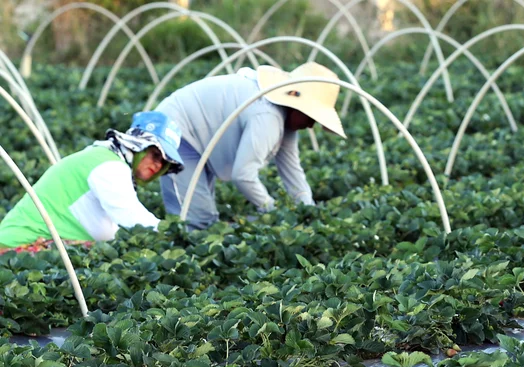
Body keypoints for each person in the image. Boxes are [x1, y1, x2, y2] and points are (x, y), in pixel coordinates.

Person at [156, 61, 346, 230]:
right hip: (175, 129)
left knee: (203, 218)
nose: (311, 125)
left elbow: (292, 170)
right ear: (295, 105)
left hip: (198, 135)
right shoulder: (267, 117)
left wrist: (307, 210)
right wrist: (272, 210)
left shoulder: (285, 120)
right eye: (311, 116)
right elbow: (243, 175)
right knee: (195, 221)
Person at [0, 111, 184, 251]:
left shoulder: (105, 158)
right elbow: (132, 218)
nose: (158, 165)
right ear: (139, 146)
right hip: (19, 245)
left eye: (164, 162)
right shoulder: (109, 166)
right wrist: (176, 237)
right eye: (155, 155)